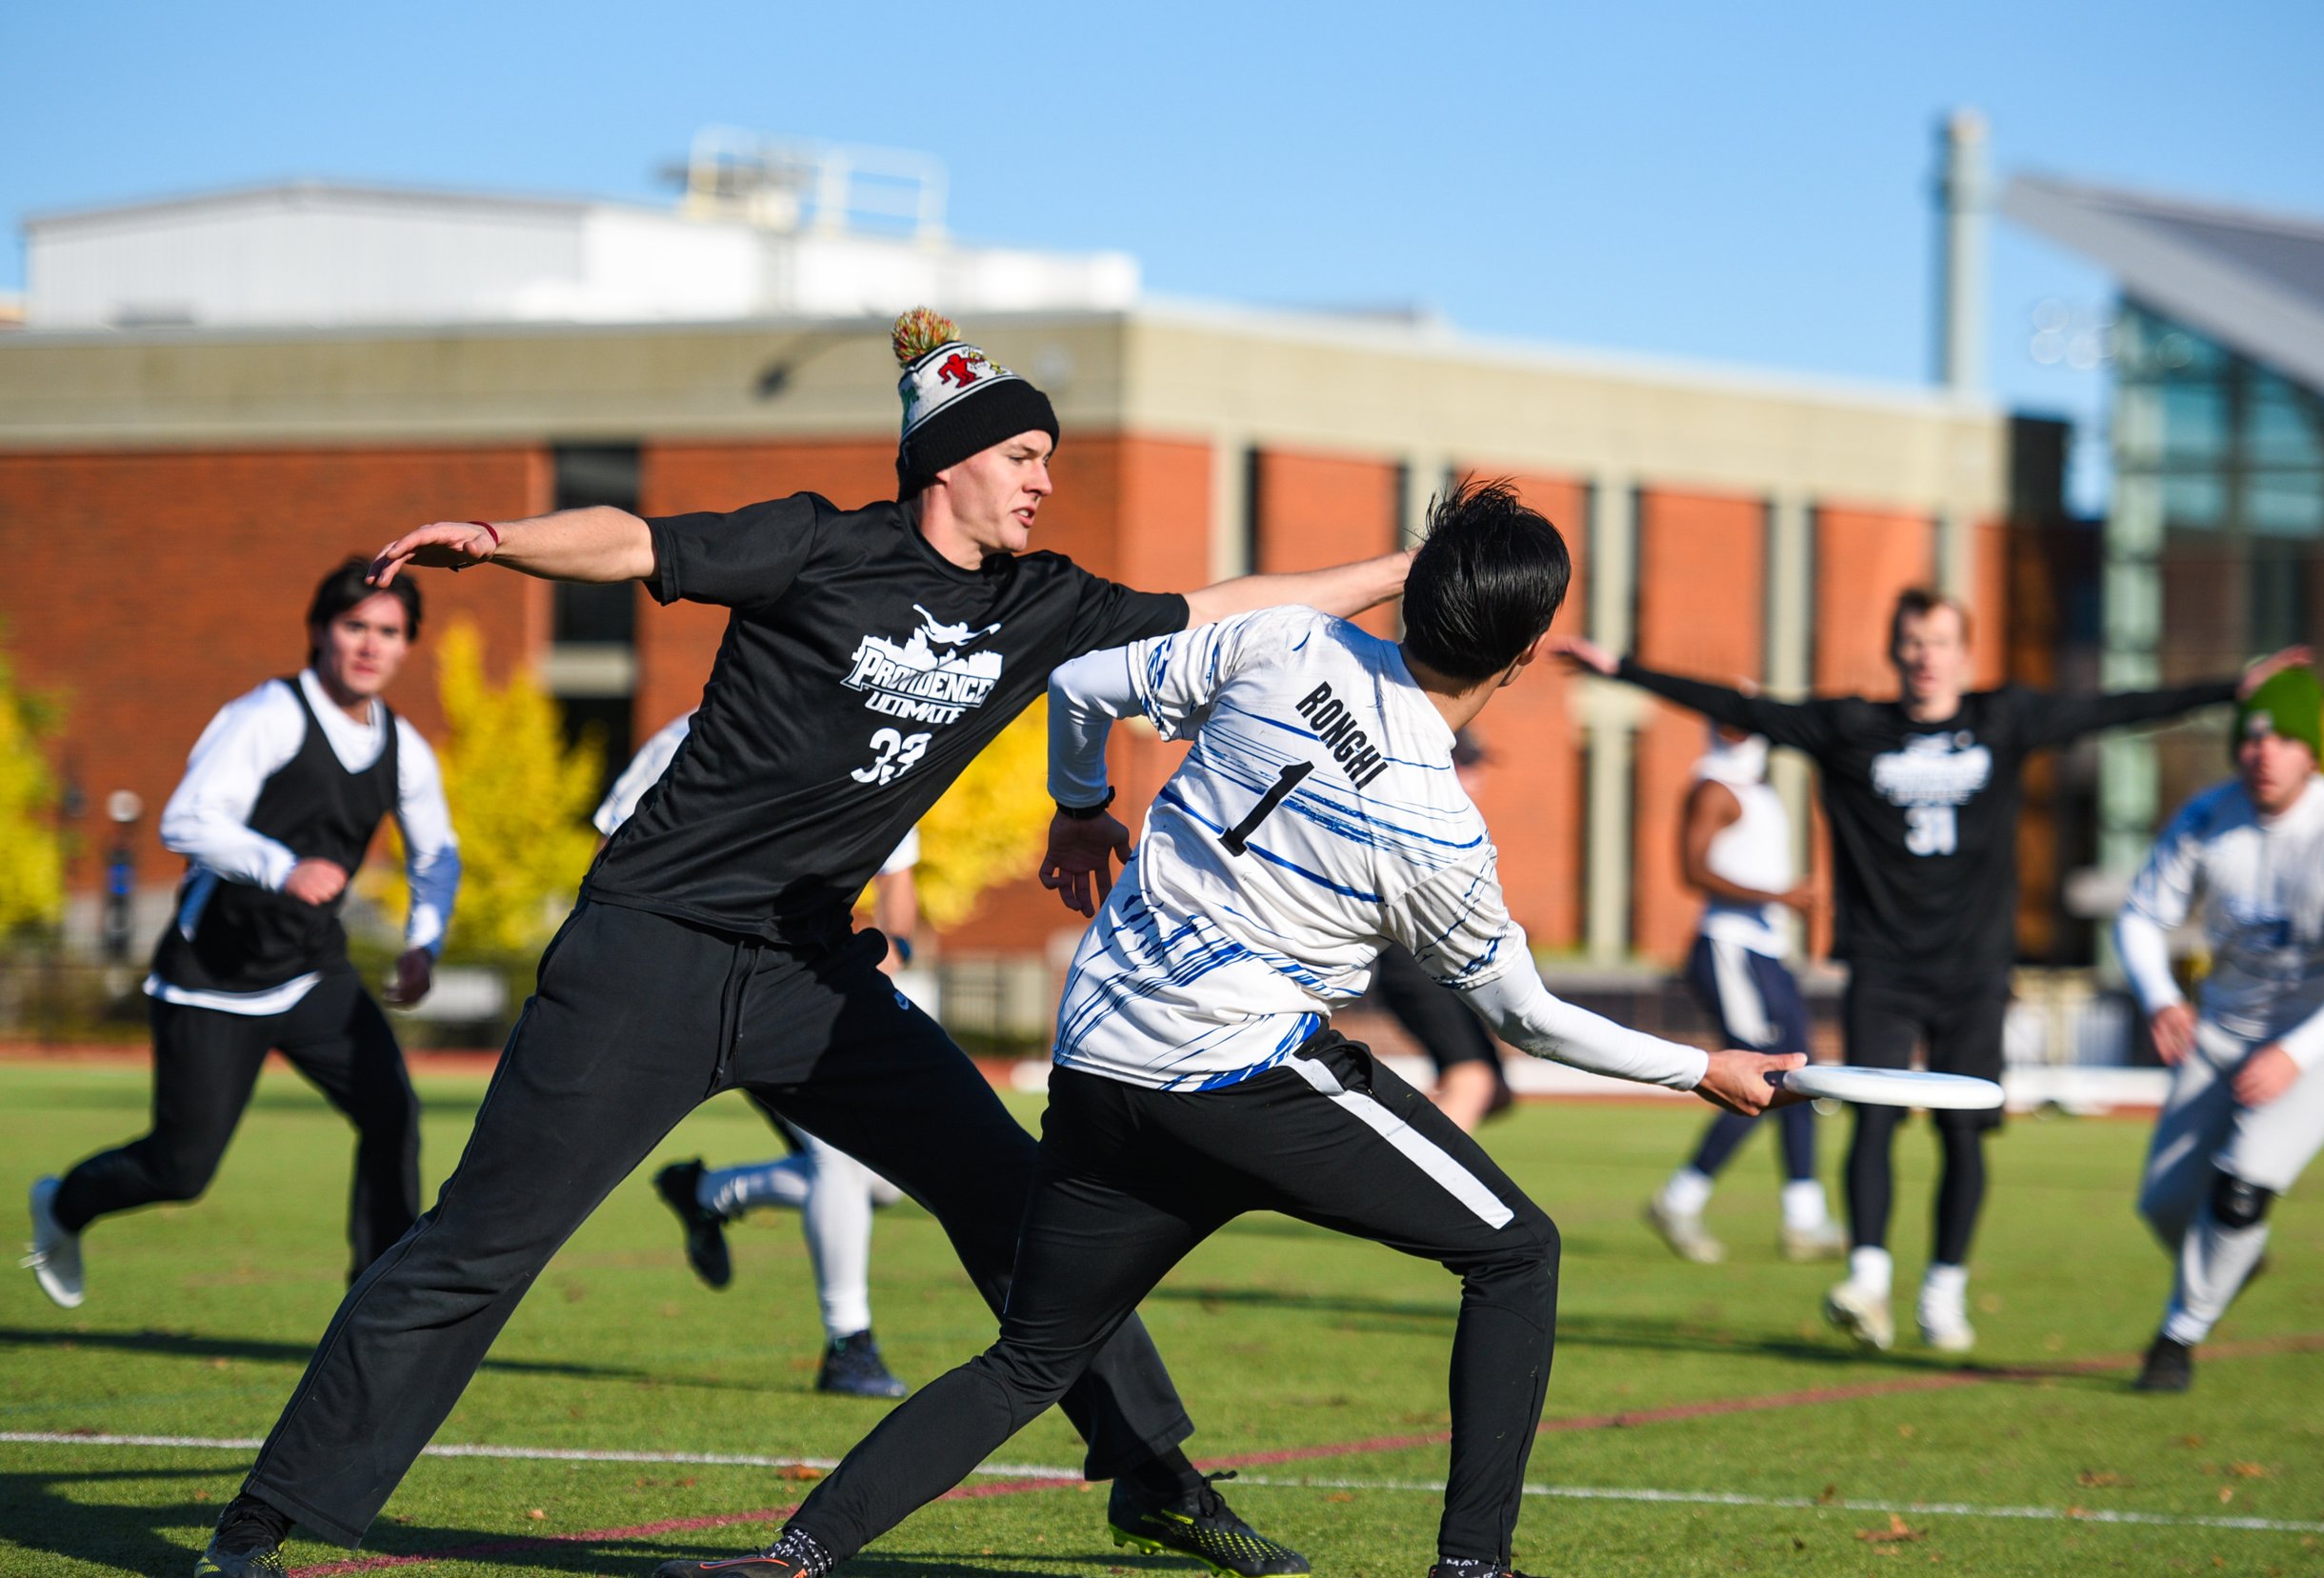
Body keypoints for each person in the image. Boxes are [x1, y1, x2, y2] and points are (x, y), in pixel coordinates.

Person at [191, 309, 1410, 1578]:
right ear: (949, 461)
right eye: (1023, 458)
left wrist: (1397, 571)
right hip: (647, 953)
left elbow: (1231, 607)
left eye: (1049, 460)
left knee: (1017, 1198)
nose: (1046, 481)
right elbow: (633, 542)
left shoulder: (1043, 604)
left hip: (809, 974)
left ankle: (1153, 1477)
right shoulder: (818, 543)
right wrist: (501, 542)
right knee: (482, 1242)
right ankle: (262, 1519)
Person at [655, 481, 1806, 1578]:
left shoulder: (1287, 640)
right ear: (1519, 656)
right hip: (1239, 1074)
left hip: (1102, 1064)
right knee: (1516, 1252)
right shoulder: (1437, 829)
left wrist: (1080, 806)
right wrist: (1701, 1067)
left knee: (1031, 1358)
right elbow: (1524, 1018)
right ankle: (1473, 1562)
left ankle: (795, 1553)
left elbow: (1085, 683)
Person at [1554, 592, 2302, 1352]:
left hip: (1974, 967)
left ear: (1963, 652)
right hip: (1883, 962)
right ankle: (1868, 1282)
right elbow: (1748, 708)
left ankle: (1944, 1291)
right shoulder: (1854, 729)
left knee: (1963, 1135)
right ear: (1895, 651)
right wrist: (1620, 669)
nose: (1925, 655)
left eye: (1940, 641)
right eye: (1911, 641)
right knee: (1871, 1115)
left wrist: (2228, 688)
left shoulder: (2004, 718)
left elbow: (2114, 707)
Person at [25, 560, 458, 1308]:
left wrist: (425, 941)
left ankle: (376, 1305)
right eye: (354, 625)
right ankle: (64, 1204)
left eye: (387, 632)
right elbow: (186, 819)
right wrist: (281, 866)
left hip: (312, 970)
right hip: (213, 977)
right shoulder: (269, 714)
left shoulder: (404, 747)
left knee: (392, 1114)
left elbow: (435, 855)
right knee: (180, 1170)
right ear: (322, 630)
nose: (369, 645)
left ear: (405, 647)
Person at [597, 711, 913, 1398]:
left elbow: (901, 888)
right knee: (840, 1161)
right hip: (725, 987)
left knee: (884, 1181)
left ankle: (709, 1192)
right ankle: (848, 1344)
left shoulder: (886, 730)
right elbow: (612, 843)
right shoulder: (698, 732)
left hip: (829, 991)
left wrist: (888, 948)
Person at [2114, 669, 2324, 1391]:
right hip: (2226, 1029)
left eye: (2286, 736)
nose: (2266, 750)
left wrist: (2295, 1054)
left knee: (2240, 1187)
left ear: (2313, 755)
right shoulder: (2207, 817)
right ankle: (2236, 1258)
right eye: (2254, 735)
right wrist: (2162, 997)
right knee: (2166, 1204)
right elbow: (2141, 915)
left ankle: (2178, 1336)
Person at [1644, 724, 1845, 1264]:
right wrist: (1780, 894)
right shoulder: (1713, 786)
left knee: (1801, 1074)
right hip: (1729, 947)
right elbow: (1692, 869)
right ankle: (1680, 1199)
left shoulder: (1757, 786)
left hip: (1765, 952)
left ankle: (1803, 1216)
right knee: (1762, 1077)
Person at [1371, 731, 1515, 1132]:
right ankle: (1410, 1179)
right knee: (1474, 1080)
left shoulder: (1456, 822)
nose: (1477, 777)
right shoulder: (1421, 817)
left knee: (1494, 1090)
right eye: (1466, 766)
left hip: (1440, 969)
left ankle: (1393, 1143)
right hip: (1409, 966)